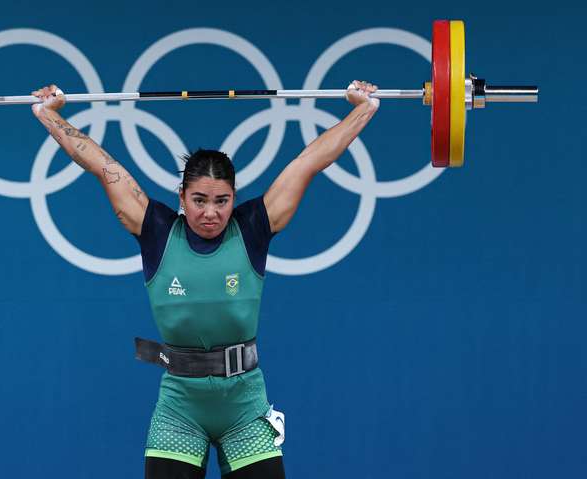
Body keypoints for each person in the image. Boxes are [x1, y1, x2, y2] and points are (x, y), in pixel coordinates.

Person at [31, 80, 380, 479]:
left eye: (221, 200)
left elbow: (309, 162)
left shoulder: (252, 228)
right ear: (181, 197)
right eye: (199, 200)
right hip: (181, 407)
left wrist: (363, 109)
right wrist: (49, 115)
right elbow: (101, 165)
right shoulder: (157, 231)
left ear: (234, 197)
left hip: (245, 405)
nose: (211, 212)